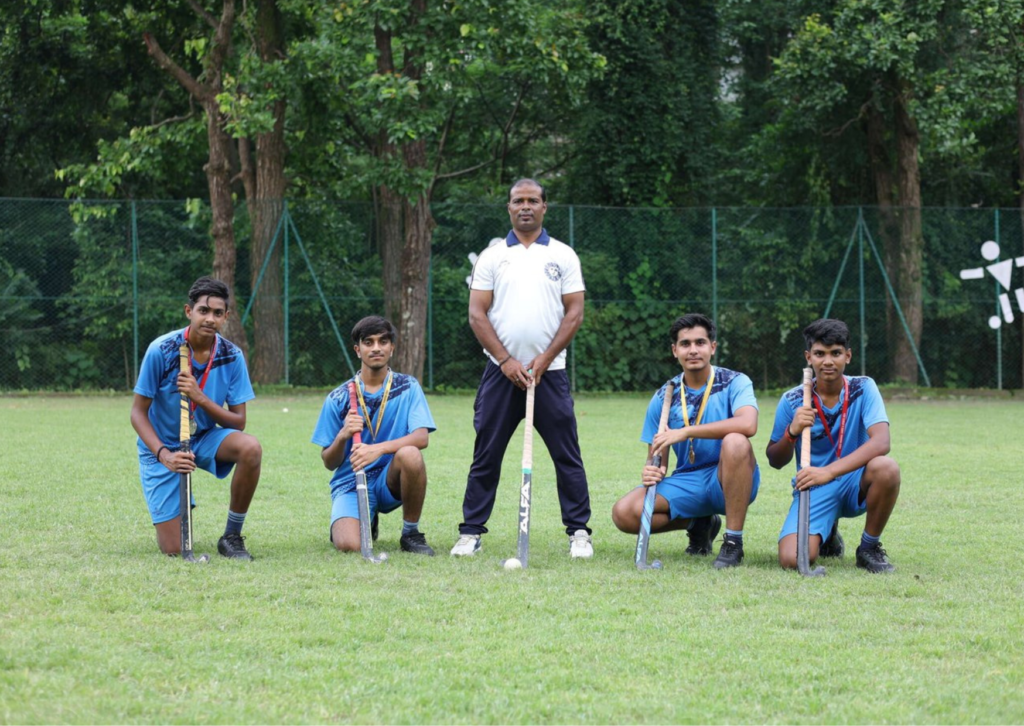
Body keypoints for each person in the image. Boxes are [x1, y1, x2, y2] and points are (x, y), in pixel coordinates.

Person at [451, 178, 593, 559]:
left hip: (551, 374)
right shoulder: (493, 256)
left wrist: (543, 361)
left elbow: (575, 312)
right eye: (518, 201)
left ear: (545, 206)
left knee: (567, 454)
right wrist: (507, 361)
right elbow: (476, 314)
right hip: (501, 375)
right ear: (509, 208)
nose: (525, 206)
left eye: (533, 200)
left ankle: (579, 531)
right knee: (487, 453)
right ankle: (470, 532)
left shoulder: (563, 255)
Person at [611, 313, 760, 569]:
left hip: (729, 477)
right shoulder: (664, 395)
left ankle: (733, 542)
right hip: (688, 480)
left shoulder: (736, 381)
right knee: (624, 513)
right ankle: (699, 523)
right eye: (685, 344)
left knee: (735, 441)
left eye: (700, 343)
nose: (693, 350)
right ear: (674, 350)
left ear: (712, 347)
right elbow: (657, 460)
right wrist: (651, 471)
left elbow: (748, 424)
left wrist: (687, 431)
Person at [130, 276, 262, 560]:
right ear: (189, 312)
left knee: (250, 447)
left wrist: (199, 396)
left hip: (203, 437)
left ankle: (232, 536)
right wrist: (164, 454)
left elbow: (238, 422)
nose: (210, 318)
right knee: (174, 549)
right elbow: (137, 413)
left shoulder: (232, 355)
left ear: (226, 316)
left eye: (217, 313)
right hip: (162, 446)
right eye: (203, 310)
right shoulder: (161, 350)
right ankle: (175, 504)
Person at [766, 318, 901, 573]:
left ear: (847, 356)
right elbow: (774, 459)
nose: (828, 361)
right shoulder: (792, 399)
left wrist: (829, 471)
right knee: (792, 560)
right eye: (819, 353)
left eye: (836, 353)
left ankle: (868, 548)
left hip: (855, 480)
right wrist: (792, 432)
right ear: (809, 357)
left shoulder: (863, 387)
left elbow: (882, 441)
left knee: (887, 468)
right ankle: (828, 534)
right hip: (813, 486)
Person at [312, 316, 436, 556]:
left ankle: (411, 533)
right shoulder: (338, 398)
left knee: (410, 454)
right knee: (349, 546)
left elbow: (422, 438)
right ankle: (361, 519)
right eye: (368, 342)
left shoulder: (408, 387)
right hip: (351, 482)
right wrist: (342, 435)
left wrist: (378, 449)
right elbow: (328, 462)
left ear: (392, 347)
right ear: (358, 350)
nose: (376, 348)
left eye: (383, 341)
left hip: (390, 479)